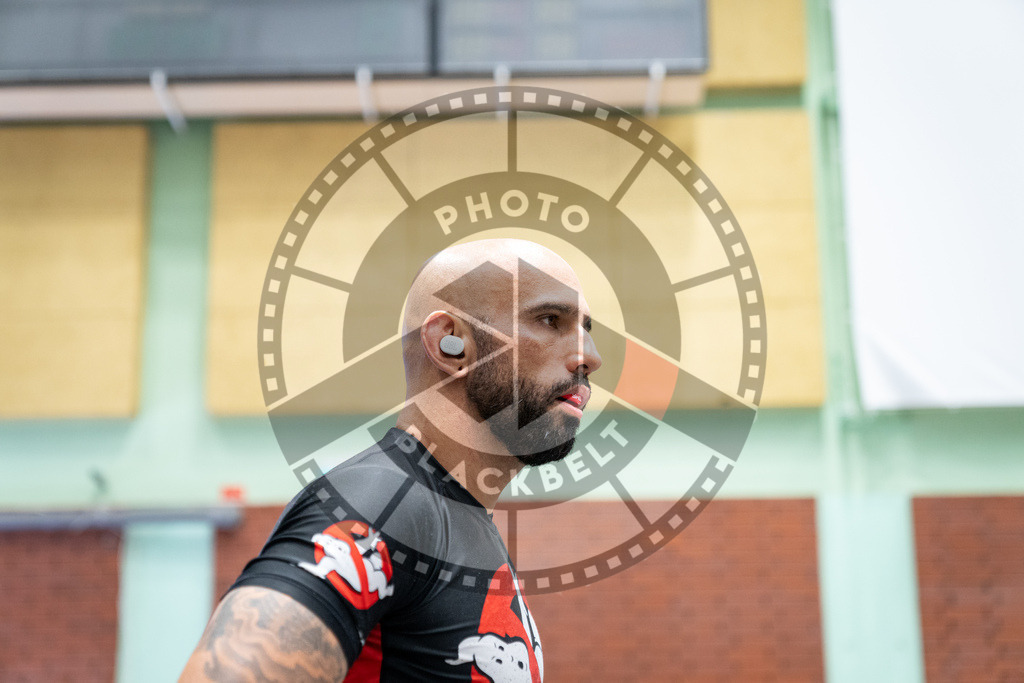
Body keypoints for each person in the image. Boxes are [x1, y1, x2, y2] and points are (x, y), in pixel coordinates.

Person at [180, 238, 602, 682]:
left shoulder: (459, 518)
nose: (590, 357)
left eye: (586, 329)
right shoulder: (383, 502)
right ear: (451, 343)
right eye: (550, 320)